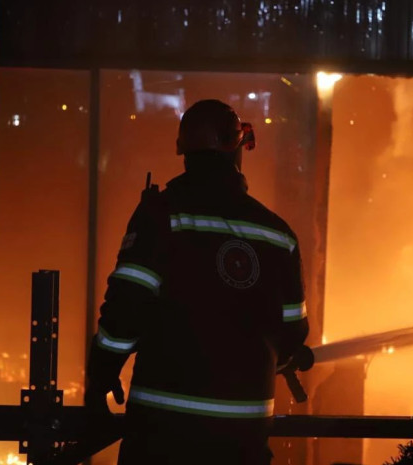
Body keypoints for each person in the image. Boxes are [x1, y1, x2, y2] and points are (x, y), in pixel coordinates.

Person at [85, 99, 310, 465]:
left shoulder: (161, 216)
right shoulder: (277, 234)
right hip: (244, 443)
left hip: (162, 436)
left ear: (184, 151)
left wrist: (101, 376)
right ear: (236, 147)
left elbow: (125, 312)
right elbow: (292, 335)